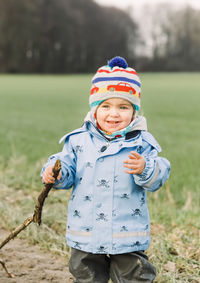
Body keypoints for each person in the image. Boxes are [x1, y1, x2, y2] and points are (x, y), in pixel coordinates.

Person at [42, 56, 170, 283]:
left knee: (134, 276)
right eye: (105, 106)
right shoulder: (78, 140)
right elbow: (66, 169)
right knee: (85, 274)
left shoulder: (142, 143)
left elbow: (160, 174)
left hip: (127, 230)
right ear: (94, 108)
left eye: (123, 107)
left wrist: (146, 167)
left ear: (134, 111)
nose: (114, 114)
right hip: (86, 229)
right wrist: (56, 173)